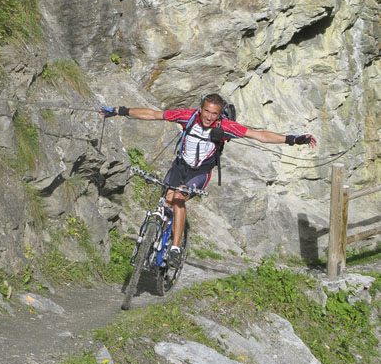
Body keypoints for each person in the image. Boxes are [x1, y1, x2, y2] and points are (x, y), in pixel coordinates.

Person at [101, 93, 316, 268]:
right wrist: (120, 111)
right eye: (206, 111)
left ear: (219, 114)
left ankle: (175, 248)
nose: (209, 117)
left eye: (214, 113)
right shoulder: (187, 116)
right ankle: (155, 237)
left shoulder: (225, 127)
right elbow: (153, 114)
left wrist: (293, 140)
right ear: (200, 108)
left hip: (200, 172)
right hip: (180, 166)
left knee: (178, 198)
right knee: (166, 199)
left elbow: (257, 135)